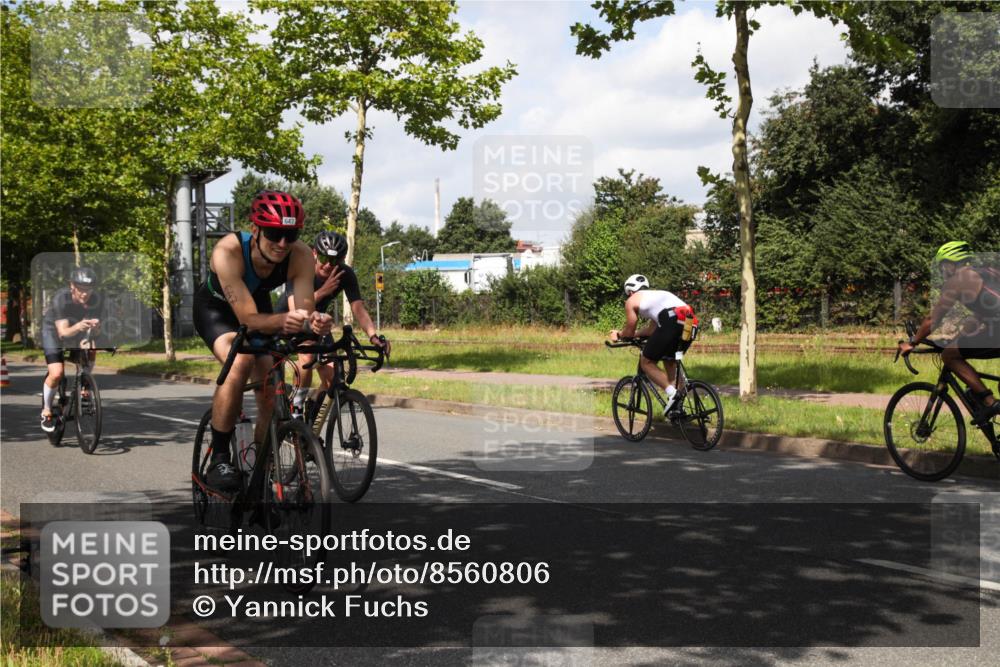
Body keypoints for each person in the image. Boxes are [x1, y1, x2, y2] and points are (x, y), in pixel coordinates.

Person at [193, 190, 333, 491]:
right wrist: (284, 321)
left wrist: (315, 322)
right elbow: (247, 318)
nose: (282, 243)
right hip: (217, 310)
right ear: (255, 229)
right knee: (240, 361)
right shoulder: (227, 251)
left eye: (290, 235)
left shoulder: (300, 255)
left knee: (270, 385)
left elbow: (304, 310)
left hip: (258, 306)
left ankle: (260, 465)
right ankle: (220, 457)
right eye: (273, 233)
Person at [276, 230, 390, 418]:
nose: (329, 265)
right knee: (307, 358)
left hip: (317, 322)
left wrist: (373, 336)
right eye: (324, 258)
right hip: (289, 320)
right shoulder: (301, 267)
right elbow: (296, 306)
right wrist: (324, 291)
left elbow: (358, 308)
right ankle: (296, 407)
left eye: (335, 261)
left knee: (333, 378)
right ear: (314, 253)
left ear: (342, 260)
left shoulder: (345, 274)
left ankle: (311, 412)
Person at [898, 241, 1000, 425]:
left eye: (942, 266)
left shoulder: (957, 281)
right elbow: (978, 316)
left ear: (950, 264)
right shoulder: (986, 272)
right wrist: (958, 339)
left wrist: (912, 342)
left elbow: (933, 320)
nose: (942, 271)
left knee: (949, 355)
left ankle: (988, 401)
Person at [609, 274, 697, 416]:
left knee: (646, 362)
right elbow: (651, 330)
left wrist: (618, 334)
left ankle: (672, 394)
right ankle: (678, 407)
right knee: (670, 360)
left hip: (670, 320)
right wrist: (637, 334)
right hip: (690, 321)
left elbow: (628, 332)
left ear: (630, 291)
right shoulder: (657, 297)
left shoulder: (631, 301)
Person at [40, 266, 105, 432]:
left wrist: (96, 328)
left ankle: (84, 385)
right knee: (56, 373)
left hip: (78, 328)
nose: (85, 293)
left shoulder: (96, 299)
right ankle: (46, 410)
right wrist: (79, 326)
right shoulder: (61, 299)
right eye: (81, 289)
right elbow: (63, 333)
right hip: (54, 331)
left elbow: (96, 332)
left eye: (88, 289)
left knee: (91, 347)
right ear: (72, 286)